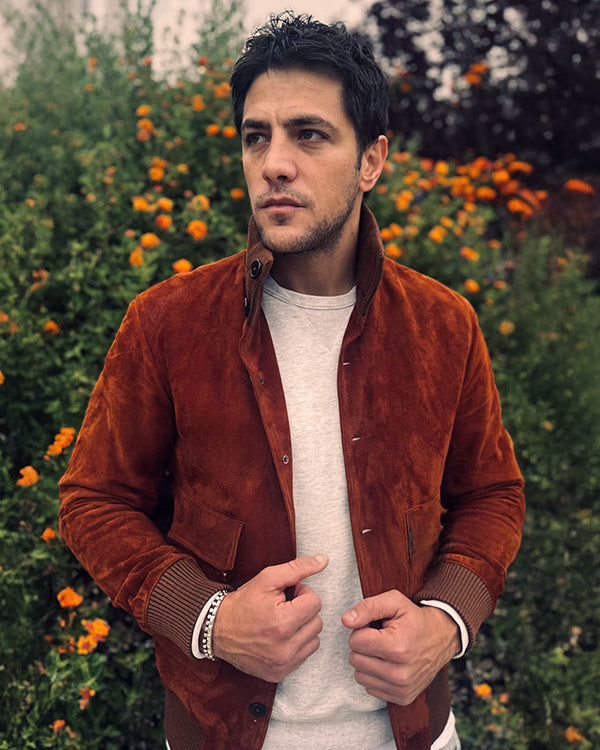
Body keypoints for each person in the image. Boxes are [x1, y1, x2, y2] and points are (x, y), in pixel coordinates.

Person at [59, 13, 525, 750]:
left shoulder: (444, 325)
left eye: (309, 134)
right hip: (220, 734)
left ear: (370, 161)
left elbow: (492, 494)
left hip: (414, 735)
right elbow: (94, 500)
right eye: (256, 136)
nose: (274, 163)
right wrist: (207, 620)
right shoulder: (168, 322)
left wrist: (447, 621)